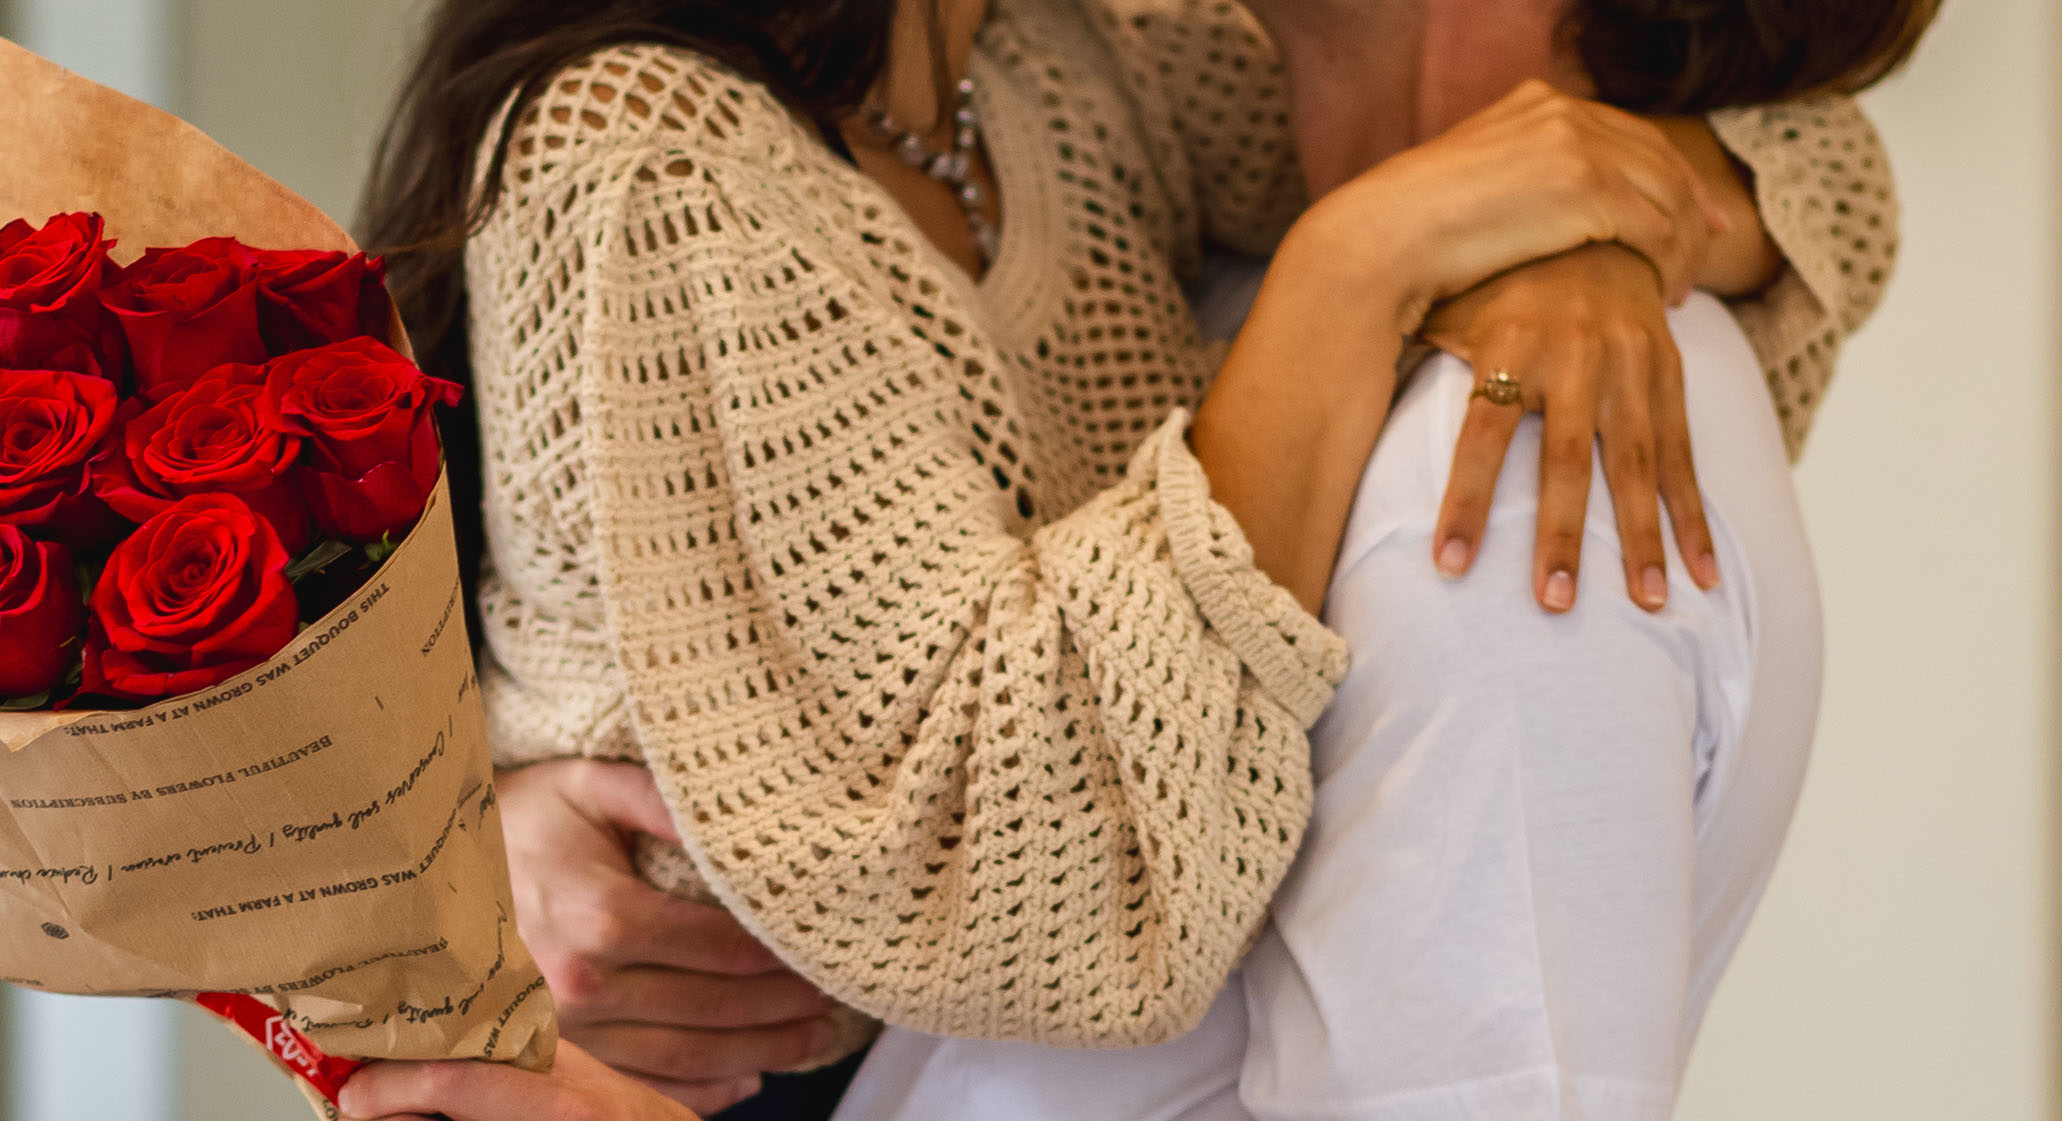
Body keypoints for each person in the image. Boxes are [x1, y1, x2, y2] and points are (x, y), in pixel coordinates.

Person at [343, 0, 1915, 1115]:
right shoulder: (647, 153)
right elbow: (1042, 900)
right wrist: (1354, 264)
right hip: (695, 1067)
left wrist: (1607, 218)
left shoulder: (1064, 68)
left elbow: (1793, 119)